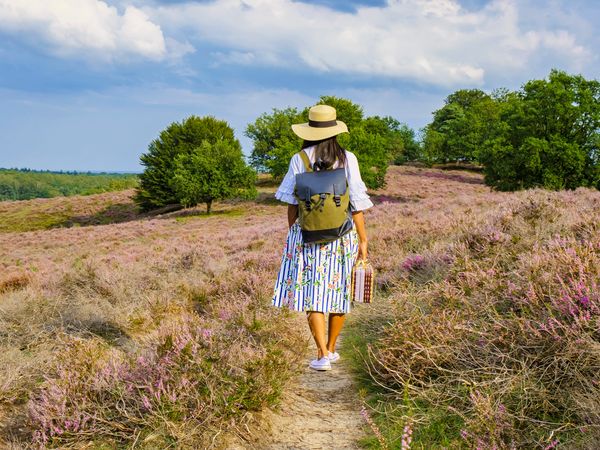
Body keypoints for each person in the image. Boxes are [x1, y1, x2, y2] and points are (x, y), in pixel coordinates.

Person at [271, 104, 373, 371]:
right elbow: (358, 203)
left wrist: (295, 229)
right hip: (343, 235)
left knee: (312, 293)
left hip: (307, 236)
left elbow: (291, 202)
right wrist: (363, 239)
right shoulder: (348, 158)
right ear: (334, 130)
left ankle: (322, 354)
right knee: (339, 292)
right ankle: (332, 347)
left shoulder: (299, 159)